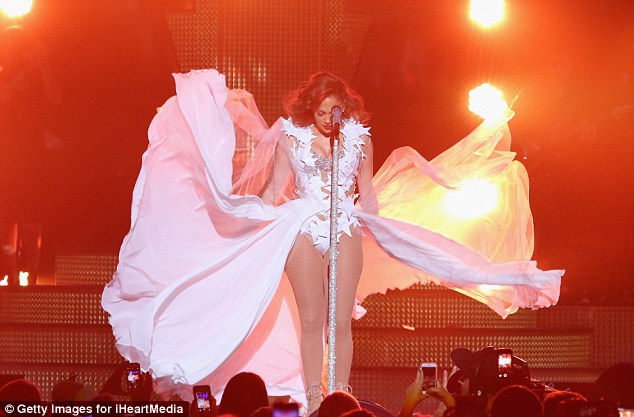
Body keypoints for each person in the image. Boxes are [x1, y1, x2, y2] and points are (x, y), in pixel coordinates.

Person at [102, 69, 563, 412]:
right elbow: (274, 188)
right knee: (311, 318)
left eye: (333, 112)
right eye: (320, 112)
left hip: (345, 225)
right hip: (302, 223)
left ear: (345, 108)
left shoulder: (359, 141)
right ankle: (313, 396)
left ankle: (340, 393)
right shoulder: (291, 139)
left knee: (340, 320)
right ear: (310, 108)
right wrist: (247, 216)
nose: (327, 119)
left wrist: (384, 228)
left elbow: (369, 193)